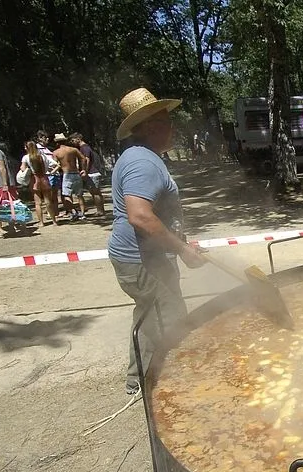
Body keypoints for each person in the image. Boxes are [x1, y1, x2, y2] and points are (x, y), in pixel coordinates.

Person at [109, 87, 206, 395]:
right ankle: (165, 388)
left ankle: (136, 380)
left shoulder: (138, 156)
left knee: (150, 314)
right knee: (170, 318)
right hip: (144, 262)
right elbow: (140, 216)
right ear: (151, 126)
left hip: (140, 258)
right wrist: (181, 250)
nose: (172, 127)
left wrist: (181, 241)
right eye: (167, 121)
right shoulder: (144, 162)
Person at [20, 141, 58, 226]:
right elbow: (55, 164)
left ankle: (41, 222)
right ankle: (54, 221)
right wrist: (51, 172)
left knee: (38, 203)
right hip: (44, 178)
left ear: (28, 148)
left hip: (35, 179)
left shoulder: (26, 157)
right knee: (48, 201)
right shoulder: (43, 156)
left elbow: (23, 168)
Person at [71, 132, 106, 216]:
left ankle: (100, 211)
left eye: (73, 140)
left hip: (92, 173)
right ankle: (100, 210)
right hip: (91, 173)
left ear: (78, 139)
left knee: (95, 192)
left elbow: (87, 159)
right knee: (95, 192)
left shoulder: (84, 148)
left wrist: (85, 171)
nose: (72, 142)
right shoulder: (84, 148)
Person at [52, 133, 86, 221]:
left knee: (67, 195)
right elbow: (83, 158)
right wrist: (83, 169)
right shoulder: (73, 150)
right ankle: (82, 213)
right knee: (79, 195)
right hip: (76, 172)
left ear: (57, 143)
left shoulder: (56, 152)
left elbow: (55, 165)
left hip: (66, 174)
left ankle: (73, 212)